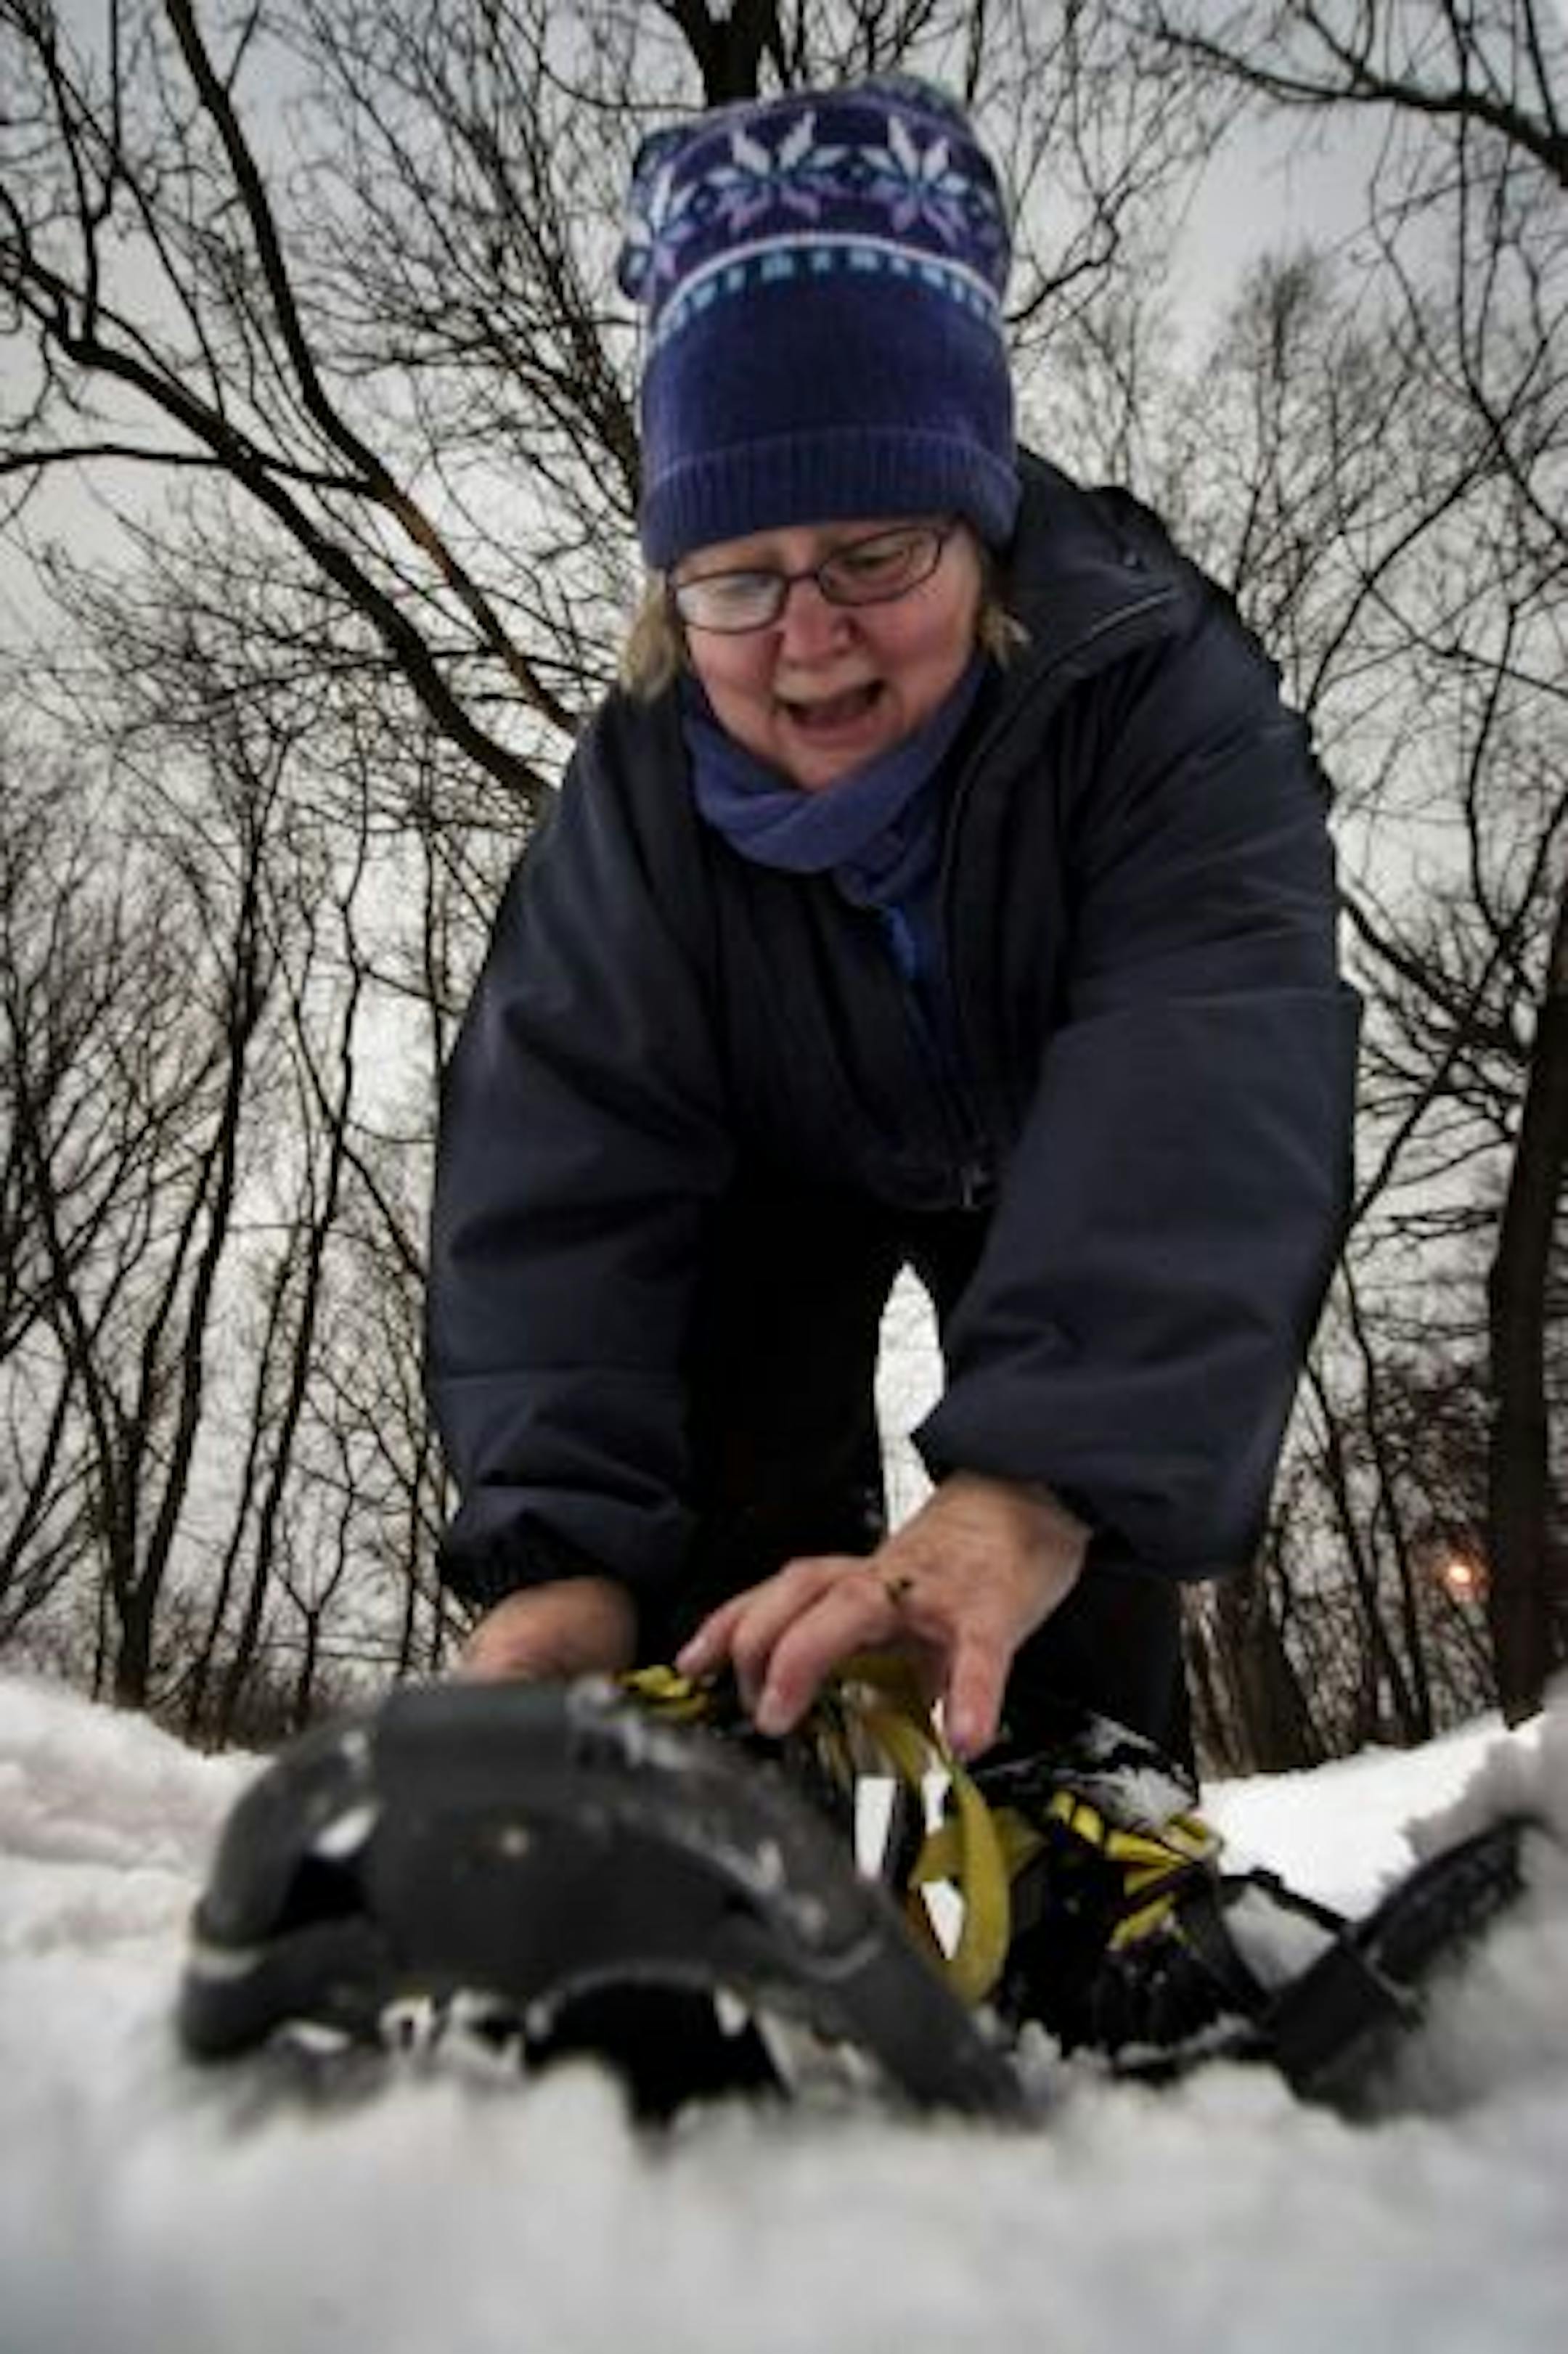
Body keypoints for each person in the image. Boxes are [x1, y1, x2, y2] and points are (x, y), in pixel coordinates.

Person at [425, 73, 1360, 1773]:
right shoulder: (635, 813)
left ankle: (1083, 1808)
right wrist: (552, 1568)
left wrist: (1023, 1493)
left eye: (876, 551)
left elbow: (1204, 1075)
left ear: (983, 524)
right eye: (735, 575)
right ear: (668, 590)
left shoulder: (1152, 703)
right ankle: (718, 1809)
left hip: (1066, 1129)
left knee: (1038, 1556)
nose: (811, 639)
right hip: (776, 1162)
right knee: (722, 1498)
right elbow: (559, 1179)